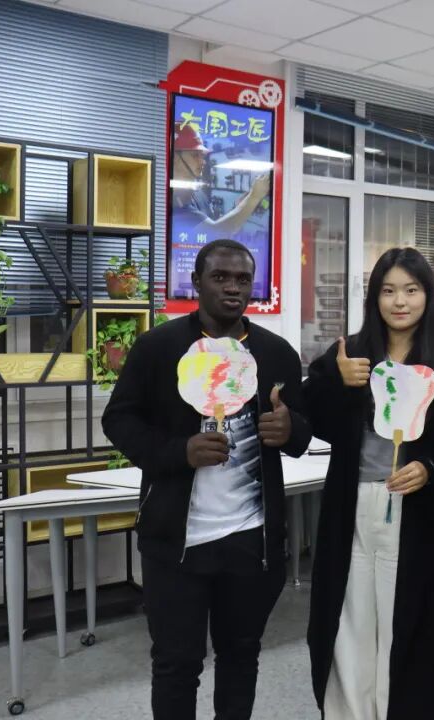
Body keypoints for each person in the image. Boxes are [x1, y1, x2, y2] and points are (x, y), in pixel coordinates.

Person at [102, 238, 312, 720]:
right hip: (176, 543)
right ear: (196, 282)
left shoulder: (276, 353)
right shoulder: (159, 348)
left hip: (251, 541)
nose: (233, 288)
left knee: (241, 656)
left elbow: (301, 430)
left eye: (243, 279)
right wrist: (178, 452)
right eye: (220, 277)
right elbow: (119, 420)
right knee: (176, 664)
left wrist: (290, 429)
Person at [304, 247, 434, 720]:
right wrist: (337, 381)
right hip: (351, 503)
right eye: (388, 291)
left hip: (411, 505)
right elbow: (309, 417)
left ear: (427, 295)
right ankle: (349, 711)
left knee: (403, 615)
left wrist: (429, 468)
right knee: (349, 614)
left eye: (411, 290)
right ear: (374, 298)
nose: (400, 301)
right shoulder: (350, 353)